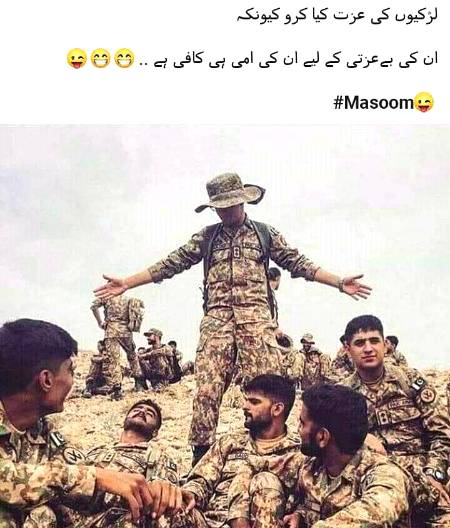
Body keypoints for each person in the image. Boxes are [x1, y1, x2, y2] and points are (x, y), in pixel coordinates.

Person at [94, 172, 372, 464]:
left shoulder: (264, 234)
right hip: (217, 324)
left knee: (267, 392)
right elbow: (171, 263)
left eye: (230, 206)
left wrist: (338, 282)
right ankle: (201, 458)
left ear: (243, 201)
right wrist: (127, 283)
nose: (225, 212)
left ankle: (271, 455)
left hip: (257, 324)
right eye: (219, 208)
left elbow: (298, 263)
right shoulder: (207, 237)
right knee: (207, 391)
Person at [0, 318, 182, 527]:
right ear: (46, 380)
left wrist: (156, 491)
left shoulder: (43, 433)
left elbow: (81, 482)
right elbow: (7, 480)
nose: (73, 381)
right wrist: (95, 477)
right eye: (71, 371)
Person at [341, 315, 450, 527]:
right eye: (360, 343)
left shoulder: (410, 382)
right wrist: (362, 437)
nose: (368, 348)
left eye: (374, 341)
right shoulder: (342, 394)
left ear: (385, 345)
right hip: (372, 484)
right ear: (348, 349)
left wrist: (434, 475)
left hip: (422, 481)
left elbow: (442, 434)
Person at [172, 375, 303, 528]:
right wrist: (191, 494)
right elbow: (201, 480)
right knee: (168, 507)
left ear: (277, 409)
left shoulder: (298, 453)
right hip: (212, 523)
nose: (245, 406)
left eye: (254, 402)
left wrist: (298, 515)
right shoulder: (231, 442)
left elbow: (309, 501)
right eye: (246, 400)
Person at [281, 384, 410, 528]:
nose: (298, 430)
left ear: (322, 437)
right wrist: (301, 515)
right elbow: (267, 463)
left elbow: (376, 512)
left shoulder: (385, 474)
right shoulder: (315, 464)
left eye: (302, 424)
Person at [65, 399, 179, 528]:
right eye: (137, 409)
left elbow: (164, 495)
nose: (142, 411)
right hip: (74, 517)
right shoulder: (98, 450)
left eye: (150, 413)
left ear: (155, 432)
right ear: (125, 420)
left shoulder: (158, 456)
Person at [91, 294, 147, 397]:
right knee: (132, 356)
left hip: (111, 331)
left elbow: (94, 307)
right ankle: (139, 383)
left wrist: (100, 322)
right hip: (126, 331)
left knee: (114, 360)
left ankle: (117, 388)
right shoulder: (128, 298)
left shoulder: (106, 297)